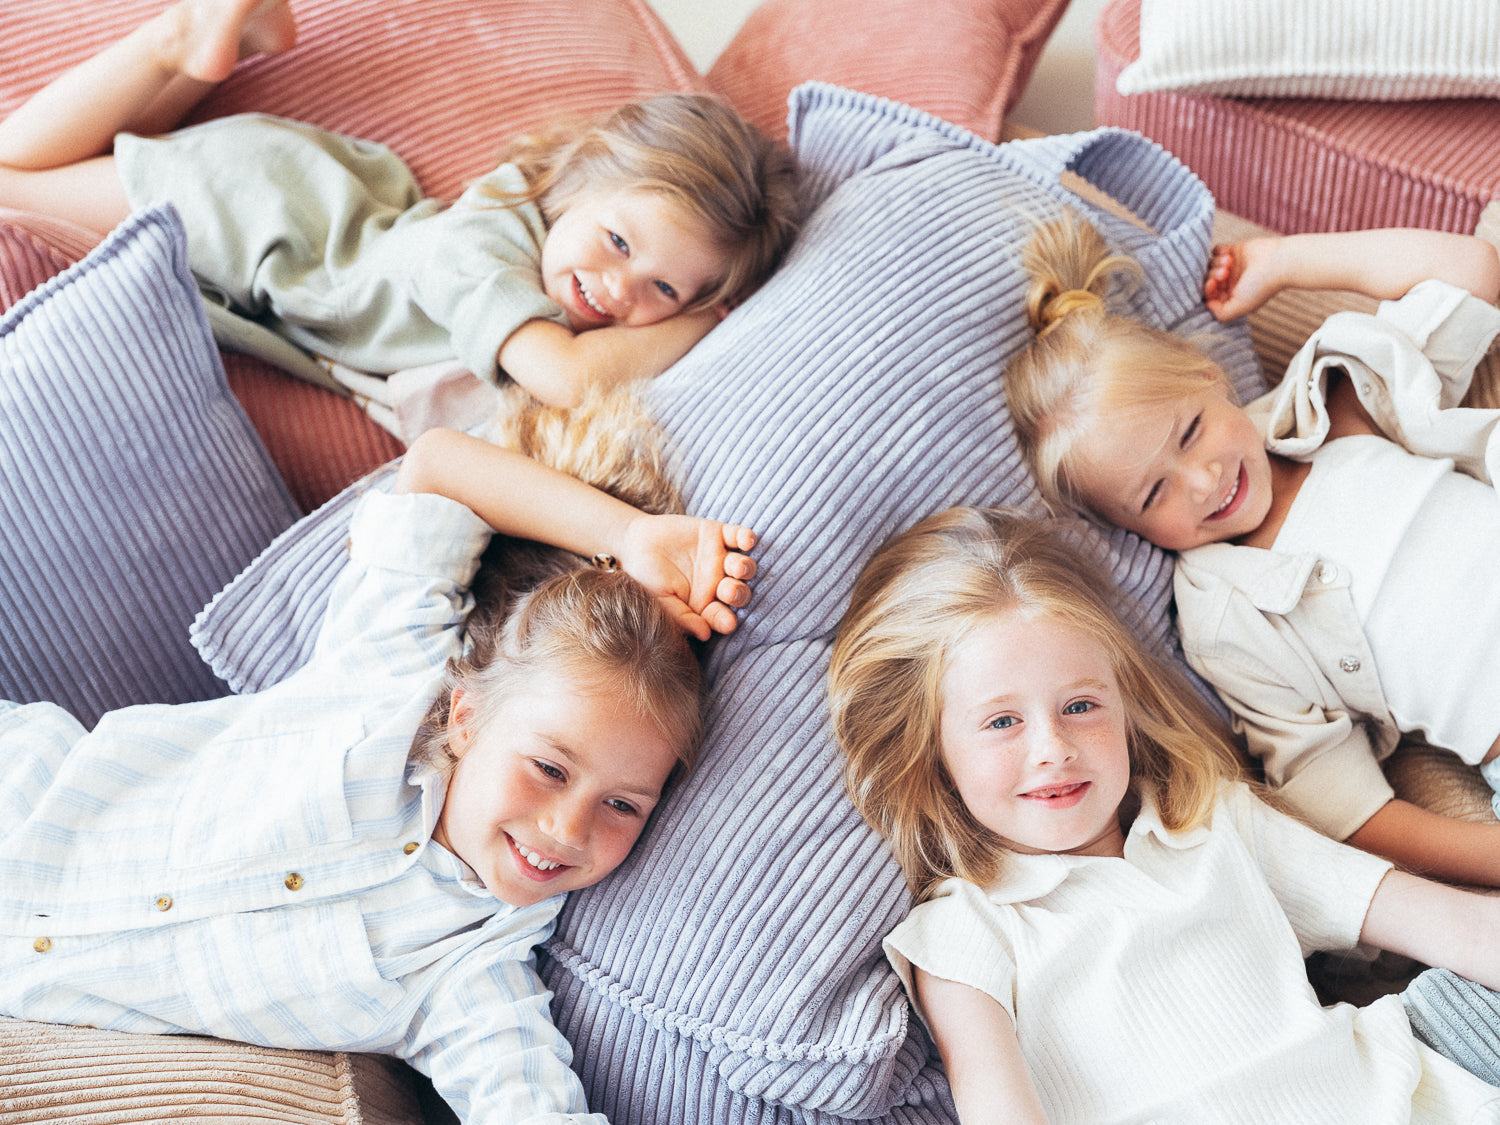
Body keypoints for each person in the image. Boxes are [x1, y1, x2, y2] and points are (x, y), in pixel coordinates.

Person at [0, 399, 759, 1123]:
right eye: (550, 768)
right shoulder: (391, 675)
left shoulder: (466, 975)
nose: (566, 826)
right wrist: (631, 536)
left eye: (622, 803)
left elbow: (529, 1103)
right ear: (467, 717)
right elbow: (439, 467)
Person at [826, 506, 1500, 1124]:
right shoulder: (964, 930)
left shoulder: (1216, 823)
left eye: (1081, 705)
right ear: (935, 752)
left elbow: (1454, 924)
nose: (1053, 748)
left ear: (1124, 702)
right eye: (1002, 720)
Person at [1001, 206, 1500, 886]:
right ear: (1131, 530)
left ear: (1209, 377)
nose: (1203, 481)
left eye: (1190, 432)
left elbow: (1471, 271)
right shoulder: (1225, 617)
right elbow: (1341, 803)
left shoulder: (1339, 405)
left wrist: (1286, 264)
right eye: (1154, 495)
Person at [0, 0, 801, 408]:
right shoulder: (489, 256)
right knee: (9, 176)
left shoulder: (534, 248)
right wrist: (702, 317)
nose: (622, 289)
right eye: (620, 242)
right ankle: (180, 38)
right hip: (250, 216)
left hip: (298, 198)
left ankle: (216, 44)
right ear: (579, 180)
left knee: (62, 164)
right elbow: (563, 379)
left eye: (664, 289)